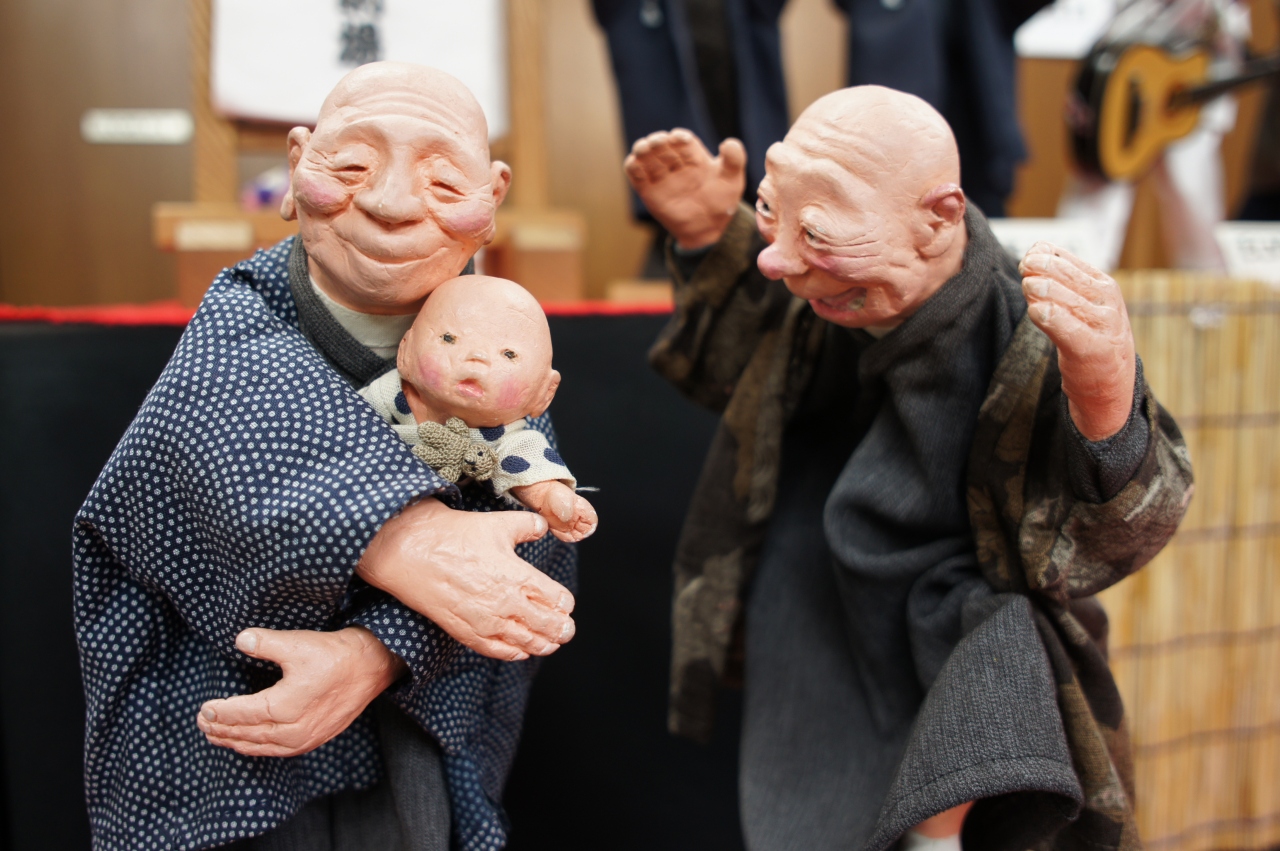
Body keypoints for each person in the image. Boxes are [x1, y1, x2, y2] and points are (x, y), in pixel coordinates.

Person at [625, 86, 1192, 850]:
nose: (777, 257)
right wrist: (706, 239)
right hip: (814, 577)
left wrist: (1104, 398)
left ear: (938, 217)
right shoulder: (813, 290)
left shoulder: (1020, 322)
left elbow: (1115, 538)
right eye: (769, 211)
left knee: (995, 688)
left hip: (968, 597)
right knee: (816, 796)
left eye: (816, 232)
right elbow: (727, 374)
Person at [74, 62, 578, 851]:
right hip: (233, 719)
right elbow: (182, 467)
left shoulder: (491, 335)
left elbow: (525, 532)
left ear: (493, 195)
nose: (391, 204)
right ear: (296, 161)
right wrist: (403, 537)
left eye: (444, 182)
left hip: (403, 728)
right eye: (351, 166)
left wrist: (374, 653)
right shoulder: (242, 319)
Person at [358, 274, 598, 541]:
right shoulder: (387, 395)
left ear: (544, 392)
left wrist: (548, 494)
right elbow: (345, 431)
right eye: (449, 338)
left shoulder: (502, 436)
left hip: (454, 533)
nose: (477, 357)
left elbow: (525, 460)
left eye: (508, 354)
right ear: (405, 351)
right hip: (370, 511)